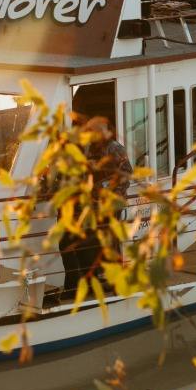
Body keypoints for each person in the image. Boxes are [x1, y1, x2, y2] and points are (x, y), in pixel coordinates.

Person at [58, 117, 131, 299]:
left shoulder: (114, 148)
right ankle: (86, 284)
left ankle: (110, 283)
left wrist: (102, 189)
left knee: (105, 242)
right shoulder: (89, 149)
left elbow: (126, 173)